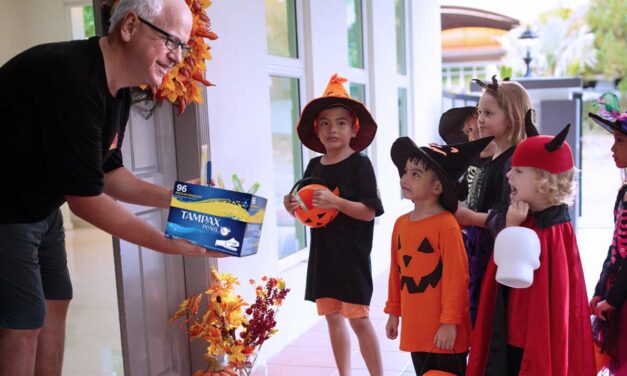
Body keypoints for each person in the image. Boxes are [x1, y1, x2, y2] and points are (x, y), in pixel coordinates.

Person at [0, 1, 226, 375]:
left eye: (183, 47)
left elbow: (106, 174)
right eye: (172, 41)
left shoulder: (117, 89)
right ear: (130, 26)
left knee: (55, 302)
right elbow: (86, 201)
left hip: (39, 205)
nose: (177, 57)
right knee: (23, 323)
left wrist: (183, 199)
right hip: (6, 208)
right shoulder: (71, 76)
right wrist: (169, 243)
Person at [467, 124, 596, 375]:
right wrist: (512, 226)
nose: (508, 176)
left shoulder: (555, 229)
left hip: (528, 335)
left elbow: (519, 277)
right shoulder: (527, 216)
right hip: (513, 329)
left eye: (518, 170)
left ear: (542, 179)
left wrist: (512, 229)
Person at [283, 74, 384, 376]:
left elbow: (369, 212)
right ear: (317, 130)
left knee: (359, 319)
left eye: (341, 122)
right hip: (323, 256)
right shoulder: (315, 166)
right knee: (332, 317)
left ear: (354, 129)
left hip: (351, 257)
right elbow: (307, 208)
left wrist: (337, 203)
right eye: (325, 123)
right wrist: (292, 207)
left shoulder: (360, 164)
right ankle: (344, 373)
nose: (332, 129)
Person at [385, 136, 493, 375]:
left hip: (445, 331)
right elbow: (397, 271)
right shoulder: (400, 224)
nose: (405, 178)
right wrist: (394, 311)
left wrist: (449, 322)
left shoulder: (446, 225)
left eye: (416, 174)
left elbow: (457, 278)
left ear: (437, 187)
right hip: (416, 327)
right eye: (405, 172)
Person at [453, 75, 532, 325]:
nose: (480, 120)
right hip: (480, 249)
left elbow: (513, 215)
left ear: (511, 117)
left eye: (488, 113)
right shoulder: (492, 156)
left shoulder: (514, 162)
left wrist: (471, 217)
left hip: (497, 255)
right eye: (479, 112)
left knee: (492, 320)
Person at [588, 93, 627, 375]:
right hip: (617, 292)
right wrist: (600, 288)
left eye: (621, 141)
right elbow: (615, 246)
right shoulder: (624, 193)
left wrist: (612, 297)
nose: (613, 148)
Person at [439, 106, 496, 202]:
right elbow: (462, 192)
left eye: (479, 128)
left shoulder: (502, 161)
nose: (473, 136)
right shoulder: (472, 160)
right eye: (469, 130)